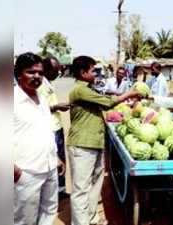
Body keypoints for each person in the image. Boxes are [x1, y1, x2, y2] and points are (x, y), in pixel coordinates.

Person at [67, 56, 141, 225]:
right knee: (81, 188)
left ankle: (91, 218)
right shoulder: (80, 90)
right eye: (93, 70)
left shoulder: (89, 88)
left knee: (95, 183)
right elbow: (108, 102)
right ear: (83, 72)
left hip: (95, 142)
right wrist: (129, 94)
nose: (96, 74)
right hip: (82, 144)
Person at [14, 52, 64, 225]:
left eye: (40, 73)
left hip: (49, 167)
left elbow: (46, 130)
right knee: (24, 219)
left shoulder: (42, 98)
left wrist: (56, 157)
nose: (37, 76)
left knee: (49, 212)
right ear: (19, 74)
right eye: (31, 72)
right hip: (26, 172)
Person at [38, 56, 70, 198]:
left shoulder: (49, 82)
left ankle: (61, 190)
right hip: (49, 128)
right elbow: (38, 108)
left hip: (57, 126)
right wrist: (56, 107)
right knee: (53, 160)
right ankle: (51, 192)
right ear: (46, 69)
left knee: (61, 158)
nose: (58, 73)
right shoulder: (40, 85)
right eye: (55, 70)